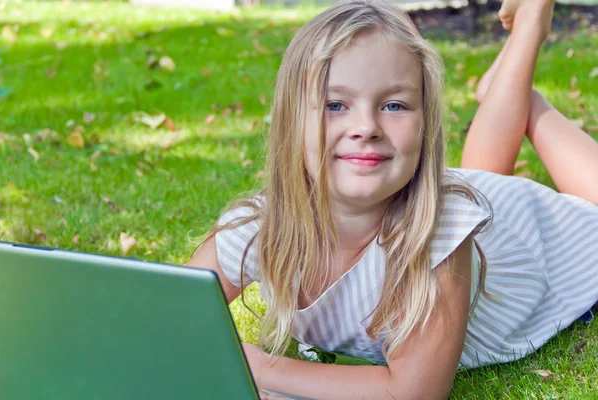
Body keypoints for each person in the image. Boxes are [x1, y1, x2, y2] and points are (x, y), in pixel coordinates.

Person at [187, 0, 598, 398]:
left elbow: (412, 392)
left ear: (425, 125)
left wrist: (256, 367)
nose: (365, 126)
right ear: (292, 121)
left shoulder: (439, 234)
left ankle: (525, 86)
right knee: (483, 179)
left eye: (394, 105)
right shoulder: (259, 227)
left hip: (544, 247)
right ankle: (508, 87)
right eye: (335, 104)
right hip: (481, 200)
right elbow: (164, 316)